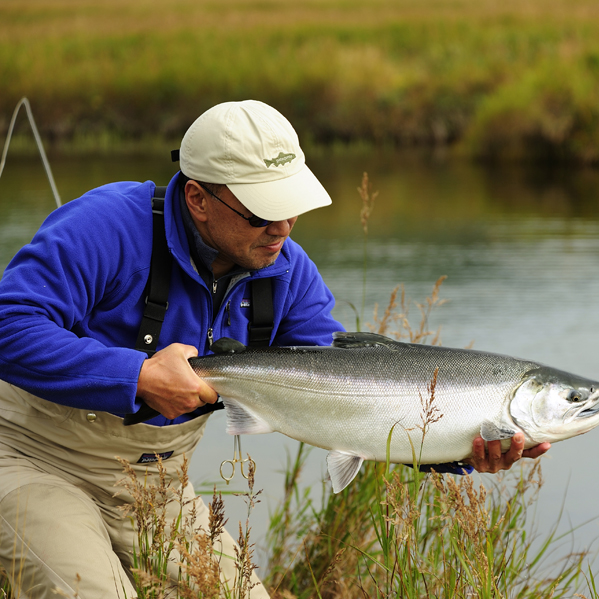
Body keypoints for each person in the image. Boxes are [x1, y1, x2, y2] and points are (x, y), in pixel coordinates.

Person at [0, 100, 549, 598]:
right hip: (31, 460)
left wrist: (458, 448)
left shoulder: (289, 271)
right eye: (262, 212)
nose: (282, 228)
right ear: (197, 198)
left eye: (291, 207)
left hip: (158, 485)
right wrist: (138, 376)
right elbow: (9, 324)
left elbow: (346, 399)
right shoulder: (105, 225)